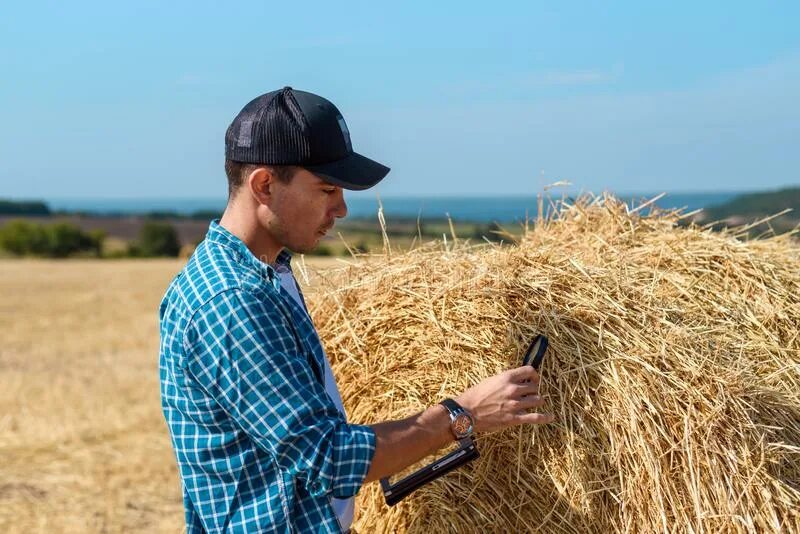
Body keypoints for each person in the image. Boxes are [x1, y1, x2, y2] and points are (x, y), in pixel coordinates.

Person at [159, 87, 555, 534]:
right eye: (326, 188)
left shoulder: (267, 274)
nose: (342, 208)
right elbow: (328, 457)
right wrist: (462, 414)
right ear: (264, 185)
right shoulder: (232, 301)